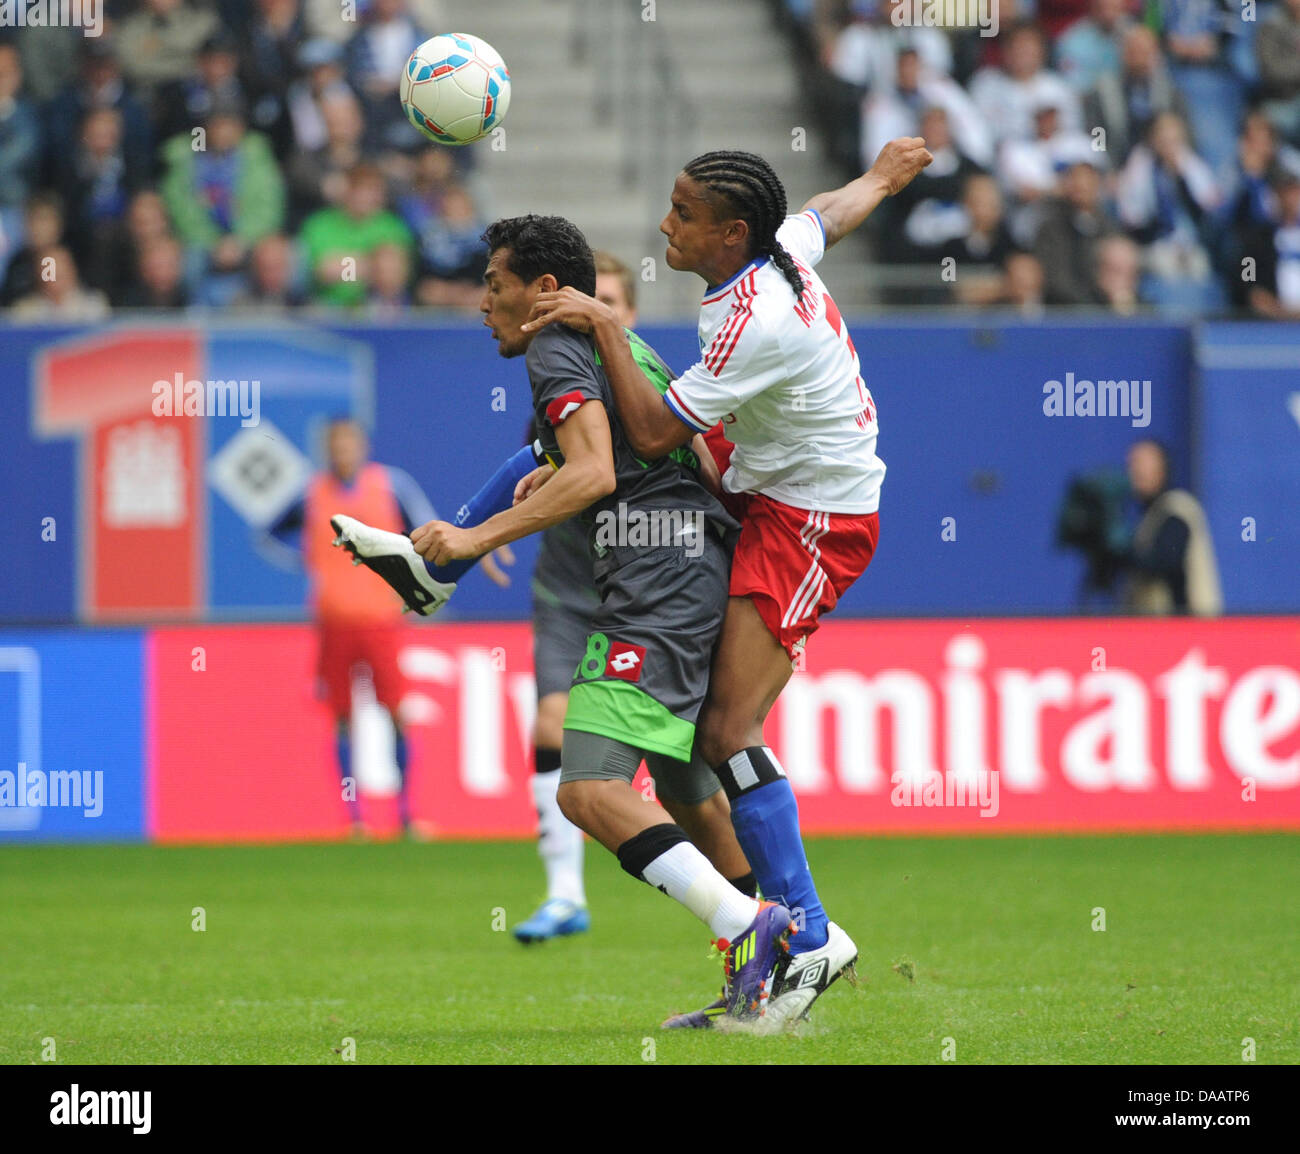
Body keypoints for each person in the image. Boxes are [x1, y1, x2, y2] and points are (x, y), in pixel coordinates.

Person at [331, 216, 786, 1022]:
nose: (483, 304)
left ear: (543, 291)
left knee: (589, 790)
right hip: (689, 574)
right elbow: (655, 460)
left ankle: (750, 924)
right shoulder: (626, 348)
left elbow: (594, 471)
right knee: (684, 787)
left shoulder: (554, 344)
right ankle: (770, 982)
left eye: (495, 285)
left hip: (656, 589)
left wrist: (470, 536)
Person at [521, 139, 932, 1029]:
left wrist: (602, 325)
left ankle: (810, 940)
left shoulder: (756, 324)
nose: (664, 224)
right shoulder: (776, 250)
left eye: (682, 213)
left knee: (727, 728)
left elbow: (653, 431)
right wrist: (885, 177)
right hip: (769, 498)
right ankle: (774, 950)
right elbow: (830, 210)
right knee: (698, 748)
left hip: (813, 517)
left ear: (730, 233)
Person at [265, 418, 437, 836]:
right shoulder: (311, 494)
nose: (343, 450)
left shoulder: (391, 486)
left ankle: (405, 815)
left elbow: (428, 532)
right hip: (334, 623)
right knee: (343, 717)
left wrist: (411, 582)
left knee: (395, 711)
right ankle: (354, 818)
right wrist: (310, 564)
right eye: (335, 443)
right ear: (327, 448)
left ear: (362, 445)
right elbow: (271, 534)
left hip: (382, 620)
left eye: (349, 442)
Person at [1122, 439, 1222, 616]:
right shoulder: (1147, 518)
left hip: (1189, 631)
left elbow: (1164, 561)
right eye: (1132, 464)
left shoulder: (1178, 508)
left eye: (1143, 463)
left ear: (1162, 468)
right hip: (1156, 631)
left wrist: (1120, 550)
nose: (1136, 471)